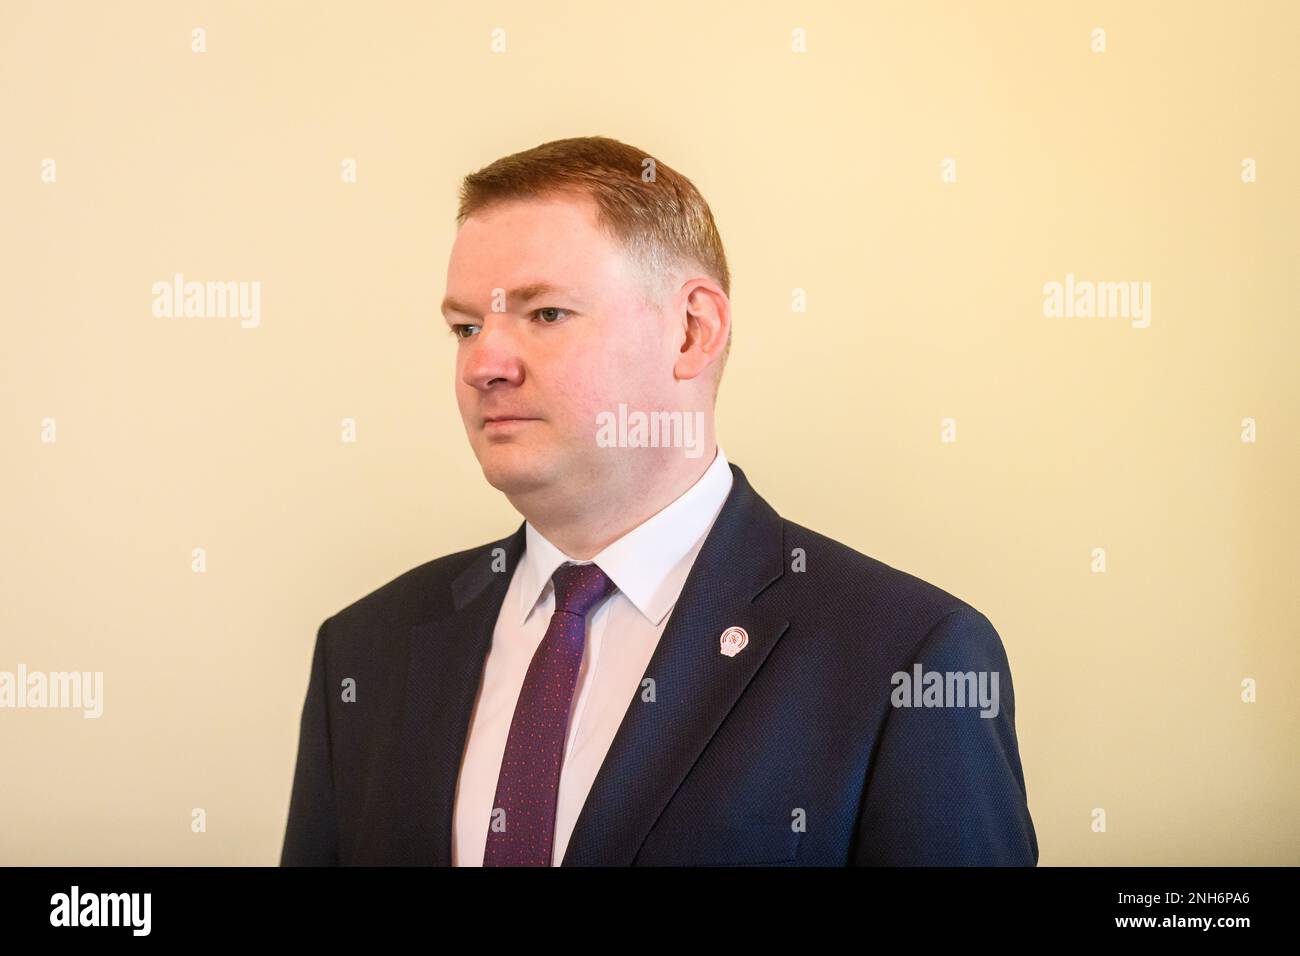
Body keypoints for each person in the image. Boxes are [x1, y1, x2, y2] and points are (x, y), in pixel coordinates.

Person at [280, 136, 1038, 866]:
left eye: (545, 314)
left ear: (691, 332)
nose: (484, 363)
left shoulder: (905, 656)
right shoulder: (366, 649)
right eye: (466, 326)